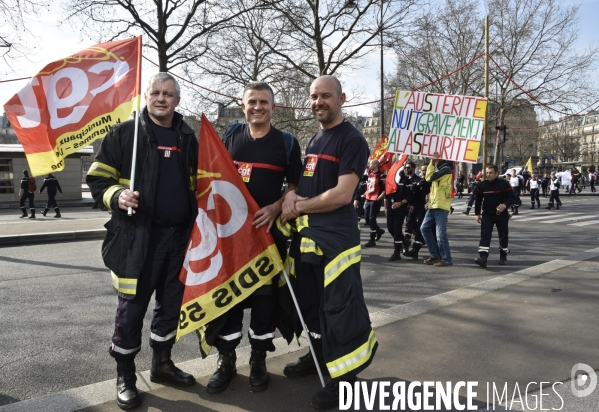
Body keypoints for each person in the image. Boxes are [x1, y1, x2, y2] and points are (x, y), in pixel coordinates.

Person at [86, 73, 198, 410]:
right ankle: (126, 375)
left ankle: (162, 365)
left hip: (180, 239)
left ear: (177, 100)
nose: (161, 98)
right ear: (145, 96)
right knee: (131, 310)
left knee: (170, 307)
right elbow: (97, 179)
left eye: (168, 94)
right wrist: (117, 195)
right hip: (137, 238)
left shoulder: (189, 137)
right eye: (155, 93)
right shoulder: (124, 134)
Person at [280, 75, 377, 410]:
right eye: (313, 96)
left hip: (336, 242)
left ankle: (345, 382)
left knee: (339, 310)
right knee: (311, 308)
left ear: (341, 99)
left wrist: (297, 207)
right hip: (308, 240)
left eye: (325, 96)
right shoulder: (315, 139)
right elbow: (308, 187)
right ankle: (319, 359)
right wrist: (288, 198)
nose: (318, 102)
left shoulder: (351, 139)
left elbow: (341, 194)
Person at [201, 81, 302, 394]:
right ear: (242, 106)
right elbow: (210, 177)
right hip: (229, 242)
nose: (258, 107)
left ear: (274, 107)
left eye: (264, 102)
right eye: (252, 102)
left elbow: (298, 186)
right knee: (229, 302)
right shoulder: (229, 137)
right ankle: (227, 360)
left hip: (267, 240)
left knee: (264, 303)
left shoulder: (287, 143)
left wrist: (276, 206)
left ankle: (258, 359)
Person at [473, 164, 517, 268]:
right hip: (487, 214)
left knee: (503, 236)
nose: (488, 175)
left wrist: (505, 205)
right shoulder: (482, 185)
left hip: (501, 215)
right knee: (485, 235)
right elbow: (478, 200)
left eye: (490, 173)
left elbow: (513, 198)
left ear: (496, 173)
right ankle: (483, 258)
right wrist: (477, 214)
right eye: (486, 173)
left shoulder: (503, 184)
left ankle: (503, 256)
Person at [420, 152, 453, 267]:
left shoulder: (446, 168)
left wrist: (431, 163)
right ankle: (435, 254)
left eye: (435, 157)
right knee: (424, 228)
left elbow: (429, 177)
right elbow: (436, 186)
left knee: (440, 234)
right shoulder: (440, 168)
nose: (433, 158)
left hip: (441, 205)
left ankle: (446, 259)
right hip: (434, 204)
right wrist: (430, 199)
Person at [384, 160, 415, 261]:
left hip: (400, 208)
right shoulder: (390, 180)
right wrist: (385, 207)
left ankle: (397, 251)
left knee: (397, 230)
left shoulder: (406, 180)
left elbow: (410, 196)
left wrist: (400, 203)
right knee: (390, 228)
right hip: (390, 208)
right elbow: (386, 195)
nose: (405, 169)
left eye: (406, 167)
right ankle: (405, 242)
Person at [403, 164, 429, 260]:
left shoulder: (433, 181)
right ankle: (414, 250)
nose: (423, 172)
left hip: (430, 208)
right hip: (419, 207)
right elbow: (416, 194)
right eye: (422, 170)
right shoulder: (420, 182)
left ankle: (438, 254)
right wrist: (413, 204)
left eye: (425, 170)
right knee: (416, 228)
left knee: (426, 230)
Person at [363, 159, 385, 247]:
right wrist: (364, 194)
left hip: (375, 199)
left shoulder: (381, 175)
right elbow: (369, 186)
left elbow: (385, 189)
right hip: (368, 198)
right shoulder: (370, 174)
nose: (369, 165)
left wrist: (379, 198)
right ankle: (379, 231)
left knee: (372, 218)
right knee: (366, 218)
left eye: (371, 163)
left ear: (376, 165)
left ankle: (372, 239)